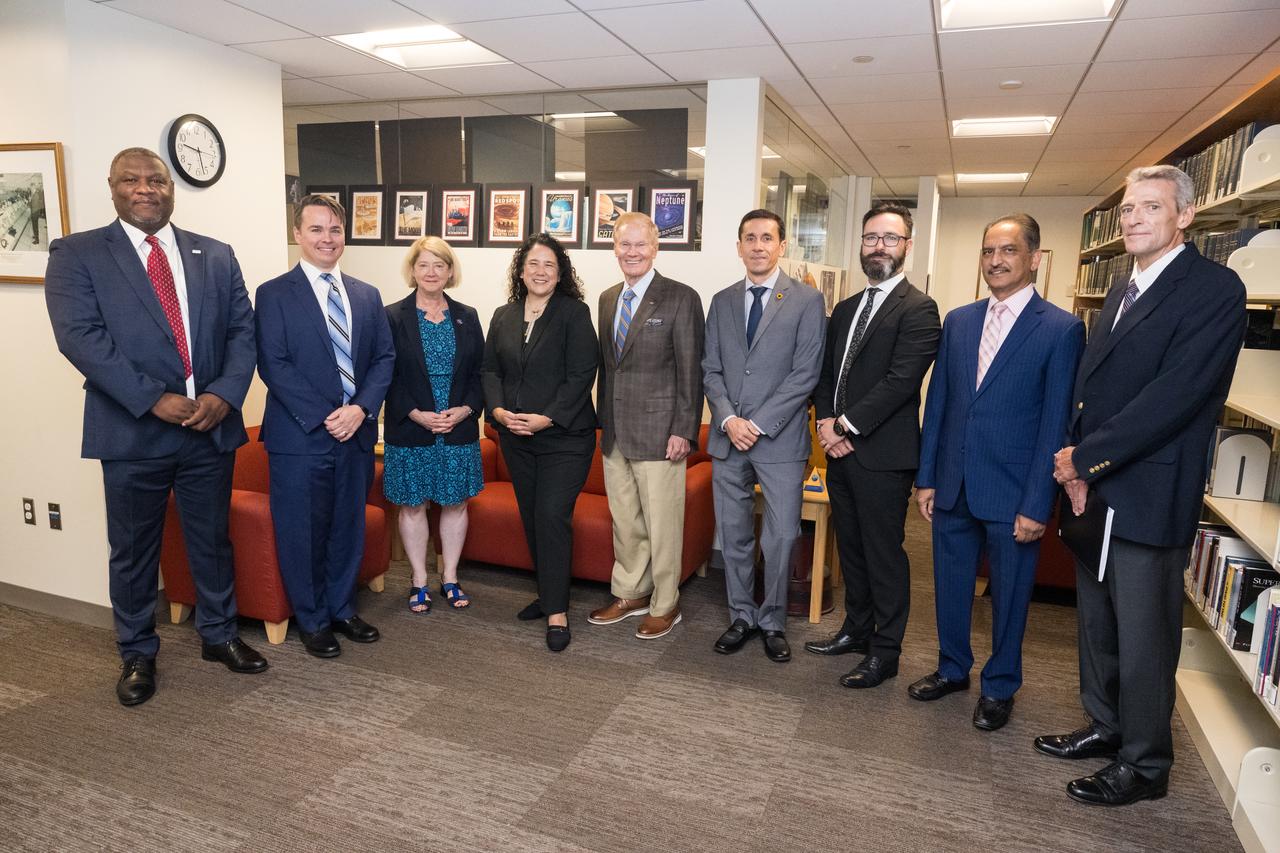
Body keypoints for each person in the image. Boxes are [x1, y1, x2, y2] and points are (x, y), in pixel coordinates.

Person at [1038, 165, 1247, 806]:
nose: (1131, 219)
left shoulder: (1213, 290)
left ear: (1184, 216)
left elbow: (1173, 400)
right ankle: (1106, 725)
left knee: (1145, 633)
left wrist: (1083, 460)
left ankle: (1146, 763)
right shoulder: (1124, 287)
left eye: (1148, 208)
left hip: (1149, 493)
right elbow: (1094, 386)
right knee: (1097, 621)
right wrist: (1076, 458)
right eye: (1127, 209)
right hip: (1097, 491)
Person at [44, 147, 266, 707]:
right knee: (134, 548)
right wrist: (152, 400)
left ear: (171, 187)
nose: (146, 189)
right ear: (112, 187)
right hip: (133, 432)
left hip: (209, 428)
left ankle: (218, 634)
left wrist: (223, 394)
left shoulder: (215, 254)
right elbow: (79, 337)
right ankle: (137, 651)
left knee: (211, 540)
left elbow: (244, 331)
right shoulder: (78, 254)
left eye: (156, 180)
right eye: (131, 180)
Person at [911, 214, 1084, 730]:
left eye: (1008, 251)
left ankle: (1001, 685)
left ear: (1033, 258)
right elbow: (938, 402)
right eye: (988, 251)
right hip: (954, 483)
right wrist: (927, 476)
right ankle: (952, 668)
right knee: (949, 583)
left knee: (1009, 596)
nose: (996, 260)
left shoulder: (1060, 328)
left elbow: (1057, 423)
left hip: (1013, 493)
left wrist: (1038, 503)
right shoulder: (960, 321)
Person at [255, 194, 394, 659]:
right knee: (303, 531)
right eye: (316, 230)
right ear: (298, 234)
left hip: (355, 434)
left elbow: (383, 359)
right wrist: (324, 415)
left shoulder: (366, 295)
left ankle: (342, 608)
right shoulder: (273, 293)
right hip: (300, 436)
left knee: (347, 526)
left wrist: (360, 409)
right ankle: (312, 619)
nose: (326, 239)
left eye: (335, 230)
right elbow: (273, 364)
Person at [807, 201, 940, 688]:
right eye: (870, 238)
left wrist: (844, 427)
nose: (878, 246)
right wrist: (825, 423)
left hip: (883, 456)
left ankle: (886, 652)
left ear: (906, 246)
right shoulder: (844, 308)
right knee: (855, 550)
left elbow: (901, 381)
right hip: (838, 450)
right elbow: (825, 376)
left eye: (889, 238)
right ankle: (856, 630)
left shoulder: (920, 308)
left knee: (884, 554)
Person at [703, 209, 826, 663]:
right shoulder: (721, 301)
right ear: (739, 246)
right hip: (727, 436)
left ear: (781, 246)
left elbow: (805, 374)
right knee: (733, 532)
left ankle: (773, 620)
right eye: (749, 238)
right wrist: (730, 420)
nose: (758, 246)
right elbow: (710, 369)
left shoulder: (807, 301)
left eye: (767, 238)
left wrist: (755, 424)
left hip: (779, 440)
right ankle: (741, 614)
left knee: (780, 535)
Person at [588, 212, 704, 640]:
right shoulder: (606, 298)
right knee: (626, 522)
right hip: (615, 432)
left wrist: (684, 429)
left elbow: (691, 369)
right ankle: (631, 592)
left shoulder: (680, 297)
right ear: (614, 248)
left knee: (663, 524)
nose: (632, 252)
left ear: (655, 248)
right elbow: (607, 367)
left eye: (640, 245)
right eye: (624, 244)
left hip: (661, 433)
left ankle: (665, 602)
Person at [482, 233, 598, 652]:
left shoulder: (574, 313)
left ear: (561, 271)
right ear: (521, 269)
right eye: (533, 263)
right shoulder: (503, 315)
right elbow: (490, 372)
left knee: (551, 514)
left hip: (565, 438)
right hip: (515, 437)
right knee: (531, 516)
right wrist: (496, 412)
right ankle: (548, 593)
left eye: (549, 264)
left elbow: (582, 375)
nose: (541, 271)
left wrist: (546, 417)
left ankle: (557, 612)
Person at [383, 236, 484, 613]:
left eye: (439, 265)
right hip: (411, 427)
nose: (431, 272)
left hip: (457, 427)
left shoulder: (467, 315)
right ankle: (418, 580)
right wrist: (414, 413)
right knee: (413, 505)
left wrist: (466, 410)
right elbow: (385, 374)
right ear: (412, 271)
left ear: (450, 271)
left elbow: (480, 373)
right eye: (423, 265)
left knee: (455, 503)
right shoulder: (392, 316)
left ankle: (451, 577)